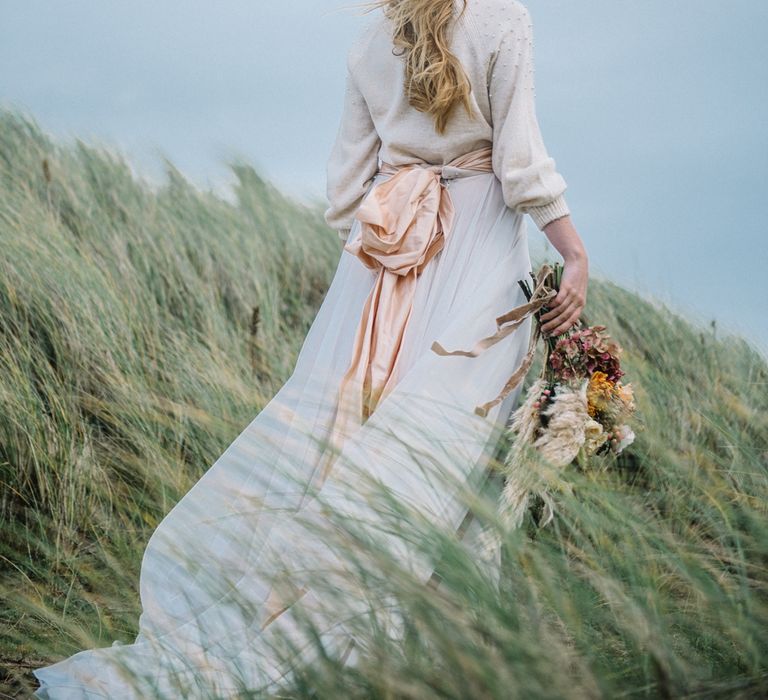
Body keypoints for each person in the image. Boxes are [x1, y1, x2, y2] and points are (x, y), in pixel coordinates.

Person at [32, 0, 589, 696]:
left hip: (380, 255)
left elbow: (346, 187)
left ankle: (326, 611)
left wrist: (387, 252)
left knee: (342, 430)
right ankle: (429, 637)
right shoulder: (506, 19)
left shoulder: (369, 40)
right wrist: (572, 253)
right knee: (444, 441)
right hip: (475, 245)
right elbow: (519, 157)